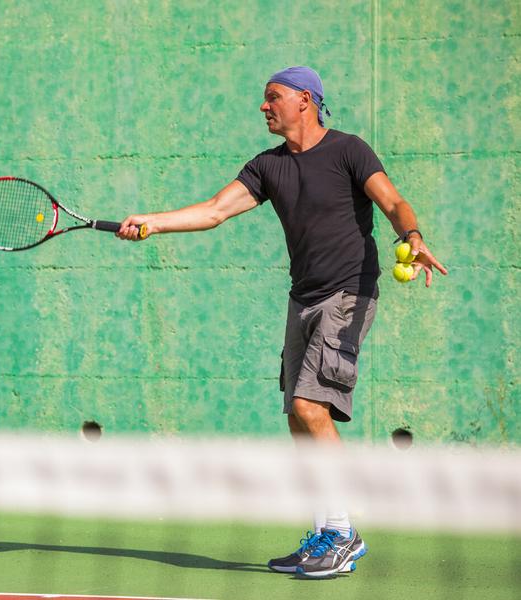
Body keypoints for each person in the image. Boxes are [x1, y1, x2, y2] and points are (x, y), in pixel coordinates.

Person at [116, 66, 447, 578]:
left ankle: (342, 533)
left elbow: (393, 201)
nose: (264, 107)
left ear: (306, 101)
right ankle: (322, 531)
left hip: (349, 292)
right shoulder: (267, 166)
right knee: (297, 420)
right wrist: (153, 222)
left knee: (309, 405)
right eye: (264, 99)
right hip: (303, 299)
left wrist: (414, 235)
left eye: (274, 98)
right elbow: (213, 211)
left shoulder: (349, 150)